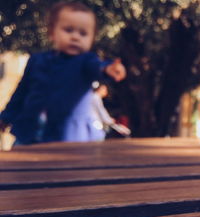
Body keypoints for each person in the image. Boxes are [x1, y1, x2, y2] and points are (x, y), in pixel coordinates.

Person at [0, 1, 126, 145]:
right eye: (68, 30)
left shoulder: (86, 61)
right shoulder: (36, 61)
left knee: (68, 167)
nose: (75, 37)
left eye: (83, 33)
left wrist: (109, 69)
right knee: (20, 166)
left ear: (92, 39)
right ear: (52, 33)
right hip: (30, 133)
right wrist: (5, 118)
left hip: (70, 137)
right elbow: (21, 93)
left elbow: (98, 67)